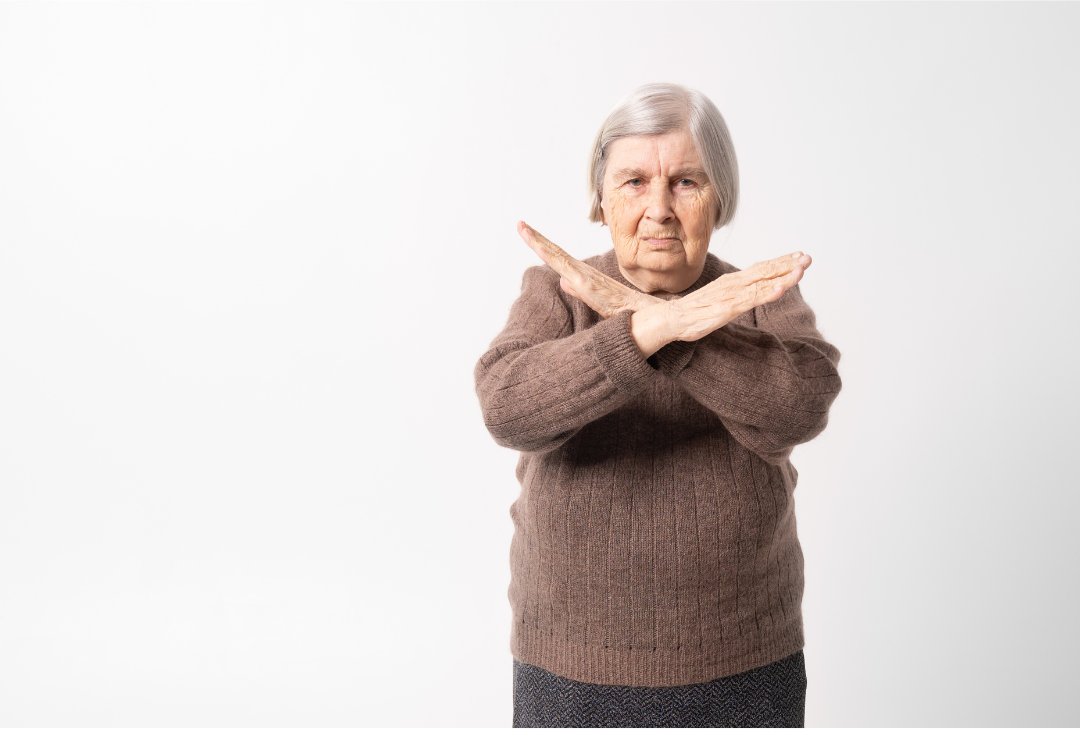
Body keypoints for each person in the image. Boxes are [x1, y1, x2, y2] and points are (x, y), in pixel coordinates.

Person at [474, 82, 842, 729]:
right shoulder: (558, 291)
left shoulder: (760, 295)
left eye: (686, 183)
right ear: (601, 199)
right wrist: (648, 328)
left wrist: (684, 328)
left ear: (720, 198)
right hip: (570, 670)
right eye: (635, 182)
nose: (659, 210)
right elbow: (507, 406)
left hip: (744, 668)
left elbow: (800, 406)